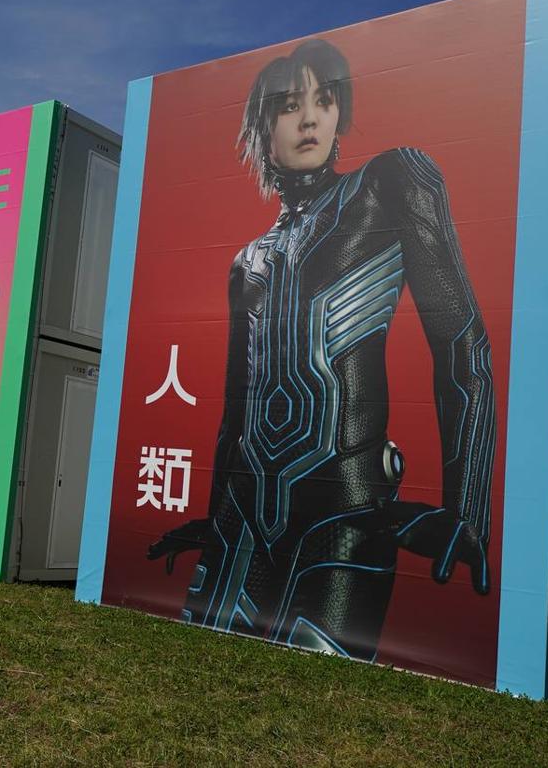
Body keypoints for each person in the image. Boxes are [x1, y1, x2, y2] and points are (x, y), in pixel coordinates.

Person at [147, 39, 497, 661]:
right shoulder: (246, 262)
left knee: (319, 713)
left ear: (340, 115)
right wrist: (211, 517)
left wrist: (467, 506)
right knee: (198, 688)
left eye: (324, 99)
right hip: (240, 529)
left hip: (347, 525)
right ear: (263, 126)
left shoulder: (391, 183)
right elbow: (238, 411)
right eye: (288, 105)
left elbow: (462, 343)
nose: (309, 117)